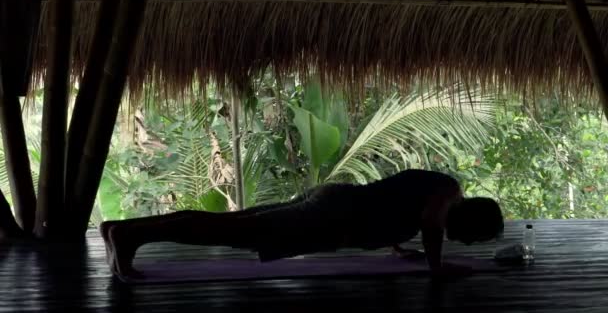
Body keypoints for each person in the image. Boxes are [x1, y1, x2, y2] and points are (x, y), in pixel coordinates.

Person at [101, 169, 504, 278]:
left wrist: (399, 248)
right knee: (228, 231)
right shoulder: (448, 192)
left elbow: (394, 200)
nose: (465, 244)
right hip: (330, 214)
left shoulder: (437, 194)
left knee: (230, 224)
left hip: (333, 203)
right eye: (472, 239)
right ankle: (133, 236)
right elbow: (431, 222)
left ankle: (123, 228)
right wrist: (436, 266)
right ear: (473, 219)